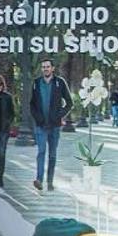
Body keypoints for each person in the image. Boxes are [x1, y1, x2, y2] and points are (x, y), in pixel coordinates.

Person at [29, 58, 72, 191]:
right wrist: (37, 118)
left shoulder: (60, 83)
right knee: (41, 152)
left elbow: (70, 103)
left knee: (52, 155)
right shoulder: (36, 83)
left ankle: (50, 182)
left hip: (54, 126)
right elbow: (32, 104)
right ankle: (39, 180)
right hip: (40, 125)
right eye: (43, 67)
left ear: (53, 68)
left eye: (48, 67)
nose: (45, 69)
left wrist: (59, 116)